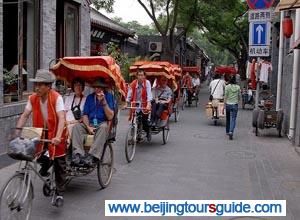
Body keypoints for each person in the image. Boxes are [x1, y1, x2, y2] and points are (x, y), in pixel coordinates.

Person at [16, 69, 66, 207]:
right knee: (38, 154)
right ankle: (46, 167)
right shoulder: (33, 98)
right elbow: (25, 115)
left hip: (57, 132)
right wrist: (17, 131)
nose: (37, 87)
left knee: (59, 162)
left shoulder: (57, 98)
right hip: (41, 132)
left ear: (49, 86)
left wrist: (57, 136)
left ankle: (60, 193)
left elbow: (62, 118)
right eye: (36, 84)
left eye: (40, 85)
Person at [71, 78, 115, 166]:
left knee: (103, 127)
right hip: (90, 123)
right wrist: (88, 127)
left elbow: (110, 116)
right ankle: (78, 154)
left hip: (102, 123)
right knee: (76, 127)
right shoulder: (90, 97)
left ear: (103, 88)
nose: (97, 89)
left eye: (99, 87)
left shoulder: (109, 96)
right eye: (96, 87)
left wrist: (104, 102)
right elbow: (85, 115)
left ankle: (92, 156)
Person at [126, 69, 152, 141]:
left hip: (144, 104)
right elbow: (129, 94)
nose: (140, 77)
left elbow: (149, 94)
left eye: (142, 75)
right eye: (139, 75)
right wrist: (126, 103)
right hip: (136, 104)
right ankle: (134, 135)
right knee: (134, 119)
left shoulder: (147, 83)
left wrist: (148, 104)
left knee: (144, 120)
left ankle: (148, 131)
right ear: (137, 76)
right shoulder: (133, 83)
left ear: (144, 76)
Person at [224, 75, 241, 140]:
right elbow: (239, 96)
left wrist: (224, 104)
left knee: (228, 118)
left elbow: (225, 96)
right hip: (235, 105)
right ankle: (231, 131)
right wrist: (237, 100)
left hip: (228, 104)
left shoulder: (227, 87)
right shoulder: (238, 87)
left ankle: (227, 131)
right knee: (233, 119)